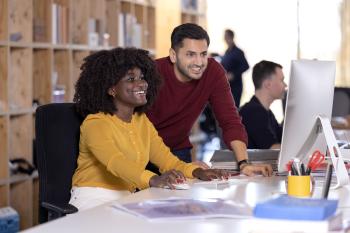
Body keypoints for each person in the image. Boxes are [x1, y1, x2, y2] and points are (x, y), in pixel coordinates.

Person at [70, 47, 229, 210]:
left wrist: (197, 172)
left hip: (129, 196)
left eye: (142, 77)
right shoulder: (95, 123)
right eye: (131, 79)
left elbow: (167, 160)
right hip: (93, 197)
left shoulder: (141, 121)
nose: (142, 84)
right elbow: (115, 162)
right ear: (111, 89)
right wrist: (153, 179)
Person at [146, 23, 272, 176]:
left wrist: (244, 164)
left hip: (177, 150)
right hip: (140, 151)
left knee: (180, 199)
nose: (199, 62)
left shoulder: (213, 72)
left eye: (203, 54)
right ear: (173, 55)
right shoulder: (151, 73)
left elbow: (230, 120)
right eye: (190, 54)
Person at [239, 60, 287, 149]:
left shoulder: (266, 112)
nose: (285, 85)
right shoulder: (253, 112)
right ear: (268, 84)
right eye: (282, 80)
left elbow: (282, 139)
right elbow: (272, 149)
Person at [220, 29, 249, 108]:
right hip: (226, 86)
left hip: (236, 87)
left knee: (233, 108)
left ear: (231, 37)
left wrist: (233, 74)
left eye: (226, 36)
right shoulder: (226, 52)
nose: (225, 39)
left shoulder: (238, 52)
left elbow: (246, 66)